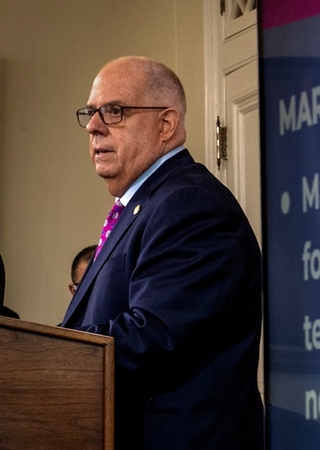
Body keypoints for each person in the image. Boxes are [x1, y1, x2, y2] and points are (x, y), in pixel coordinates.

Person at [61, 56, 263, 450]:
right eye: (91, 113)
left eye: (114, 111)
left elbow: (154, 335)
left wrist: (49, 358)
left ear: (166, 125)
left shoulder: (190, 204)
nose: (94, 126)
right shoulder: (148, 205)